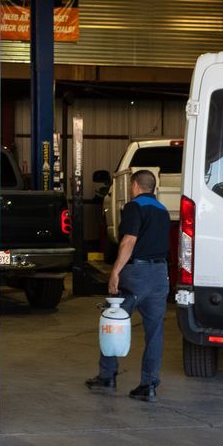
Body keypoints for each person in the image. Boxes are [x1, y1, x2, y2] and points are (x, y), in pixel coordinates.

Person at [86, 168, 174, 401]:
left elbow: (128, 241)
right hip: (160, 275)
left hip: (137, 274)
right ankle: (149, 385)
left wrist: (115, 272)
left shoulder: (134, 207)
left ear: (135, 186)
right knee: (155, 332)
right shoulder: (163, 211)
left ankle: (107, 376)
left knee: (112, 319)